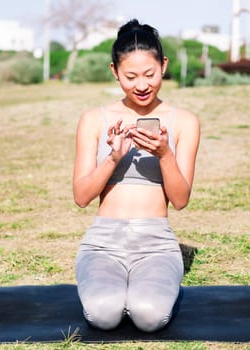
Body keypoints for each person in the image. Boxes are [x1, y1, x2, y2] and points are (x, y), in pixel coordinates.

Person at [72, 19, 200, 333]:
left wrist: (164, 154)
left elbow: (181, 200)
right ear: (114, 71)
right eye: (130, 77)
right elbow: (81, 197)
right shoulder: (93, 120)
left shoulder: (184, 121)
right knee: (103, 315)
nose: (141, 86)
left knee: (149, 316)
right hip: (103, 242)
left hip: (156, 243)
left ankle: (144, 290)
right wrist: (113, 157)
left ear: (164, 66)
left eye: (150, 74)